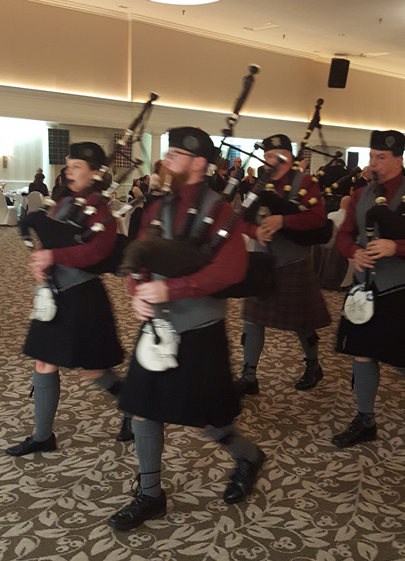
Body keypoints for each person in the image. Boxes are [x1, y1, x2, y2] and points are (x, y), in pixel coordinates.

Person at [108, 127, 264, 532]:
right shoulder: (159, 206)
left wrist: (171, 287)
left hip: (199, 327)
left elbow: (232, 270)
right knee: (142, 411)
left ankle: (247, 455)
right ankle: (150, 495)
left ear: (198, 163)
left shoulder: (221, 210)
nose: (166, 161)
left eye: (175, 154)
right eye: (167, 153)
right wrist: (137, 291)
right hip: (157, 324)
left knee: (207, 421)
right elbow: (139, 254)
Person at [5, 142, 132, 457]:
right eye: (68, 164)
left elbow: (96, 252)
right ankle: (42, 435)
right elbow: (51, 238)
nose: (68, 170)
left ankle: (132, 407)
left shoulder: (101, 211)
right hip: (54, 294)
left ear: (95, 174)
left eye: (76, 166)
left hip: (83, 297)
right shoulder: (62, 202)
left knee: (94, 368)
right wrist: (40, 259)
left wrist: (53, 254)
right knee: (44, 359)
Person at [332, 130, 405, 448]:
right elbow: (345, 233)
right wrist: (352, 252)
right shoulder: (361, 194)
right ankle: (365, 420)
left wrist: (395, 246)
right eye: (371, 157)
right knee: (362, 354)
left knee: (403, 357)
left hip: (400, 287)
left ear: (399, 159)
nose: (373, 164)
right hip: (363, 287)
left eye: (380, 158)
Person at [234, 134, 331, 398]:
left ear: (290, 158)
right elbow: (241, 218)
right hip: (262, 262)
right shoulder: (257, 186)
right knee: (251, 321)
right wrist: (255, 231)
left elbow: (318, 219)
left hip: (294, 262)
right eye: (268, 156)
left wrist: (284, 222)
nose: (273, 161)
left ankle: (313, 366)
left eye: (280, 156)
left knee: (303, 323)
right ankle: (249, 376)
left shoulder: (307, 183)